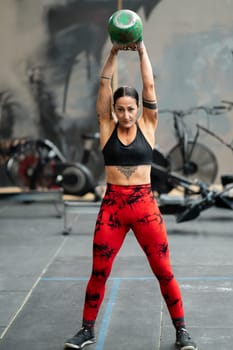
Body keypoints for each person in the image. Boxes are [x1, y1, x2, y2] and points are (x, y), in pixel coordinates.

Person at [64, 40, 198, 350]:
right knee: (99, 271)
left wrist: (141, 50)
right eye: (120, 109)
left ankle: (182, 331)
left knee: (163, 270)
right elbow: (104, 83)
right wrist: (112, 53)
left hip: (145, 207)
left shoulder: (148, 125)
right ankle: (86, 330)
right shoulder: (106, 125)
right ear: (114, 110)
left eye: (130, 109)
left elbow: (148, 83)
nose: (125, 114)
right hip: (112, 207)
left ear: (139, 110)